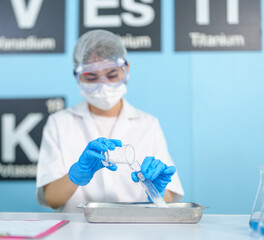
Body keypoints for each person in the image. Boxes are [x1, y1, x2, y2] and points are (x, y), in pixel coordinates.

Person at [36, 30, 184, 212]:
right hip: (77, 231)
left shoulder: (148, 124)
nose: (103, 85)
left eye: (112, 75)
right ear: (78, 76)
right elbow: (52, 199)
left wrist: (157, 190)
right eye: (91, 77)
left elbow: (167, 201)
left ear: (126, 69)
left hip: (136, 231)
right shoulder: (60, 123)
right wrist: (75, 176)